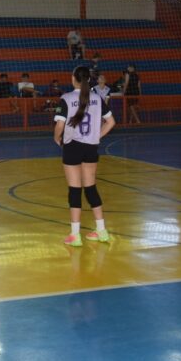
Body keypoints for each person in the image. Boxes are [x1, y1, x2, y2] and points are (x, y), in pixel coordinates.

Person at [54, 65, 116, 246]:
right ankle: (102, 231)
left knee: (75, 190)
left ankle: (75, 235)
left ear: (73, 78)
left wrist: (57, 139)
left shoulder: (66, 98)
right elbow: (111, 122)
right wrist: (97, 135)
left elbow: (59, 126)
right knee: (91, 188)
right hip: (91, 147)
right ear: (89, 80)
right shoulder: (97, 98)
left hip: (72, 146)